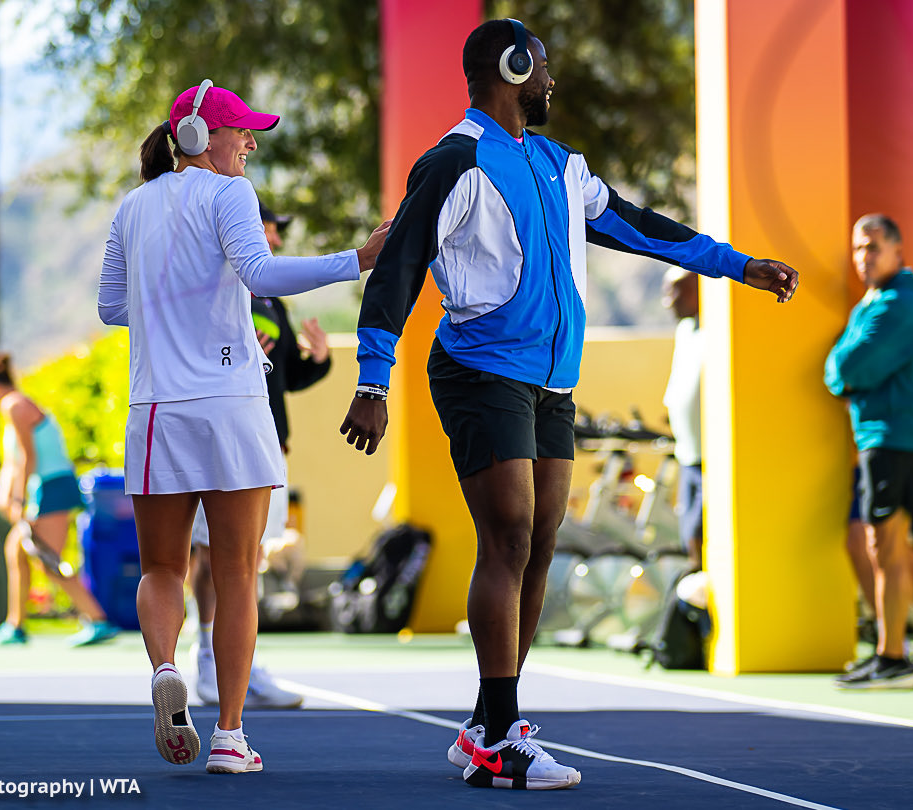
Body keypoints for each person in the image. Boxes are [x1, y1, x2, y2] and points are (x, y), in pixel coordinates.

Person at [339, 19, 798, 791]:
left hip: (550, 382)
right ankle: (499, 734)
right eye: (542, 67)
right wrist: (373, 380)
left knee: (540, 543)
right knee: (510, 536)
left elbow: (639, 227)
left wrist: (734, 265)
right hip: (479, 369)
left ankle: (490, 725)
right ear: (514, 69)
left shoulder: (559, 165)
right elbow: (399, 271)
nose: (551, 81)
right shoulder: (453, 161)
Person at [98, 79, 389, 774]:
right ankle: (229, 735)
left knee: (164, 567)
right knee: (235, 575)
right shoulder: (231, 195)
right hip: (230, 405)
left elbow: (113, 308)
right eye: (243, 131)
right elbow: (259, 270)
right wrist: (358, 259)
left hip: (156, 411)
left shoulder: (131, 208)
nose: (252, 142)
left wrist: (176, 314)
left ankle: (166, 665)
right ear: (200, 136)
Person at [187, 202, 331, 710]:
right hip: (221, 437)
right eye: (269, 228)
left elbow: (286, 374)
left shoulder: (272, 296)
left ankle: (239, 664)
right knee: (210, 552)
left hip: (267, 443)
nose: (275, 238)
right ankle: (206, 657)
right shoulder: (213, 284)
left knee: (246, 559)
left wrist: (320, 359)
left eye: (277, 231)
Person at [824, 214, 913, 689]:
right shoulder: (877, 301)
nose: (864, 257)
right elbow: (843, 368)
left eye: (873, 247)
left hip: (895, 437)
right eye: (858, 248)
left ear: (898, 250)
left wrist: (843, 371)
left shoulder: (898, 304)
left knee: (887, 545)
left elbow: (847, 366)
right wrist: (843, 369)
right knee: (884, 546)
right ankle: (902, 649)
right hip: (883, 437)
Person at [0, 353, 120, 648]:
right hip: (46, 487)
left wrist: (17, 498)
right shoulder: (14, 407)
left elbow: (28, 456)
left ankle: (98, 619)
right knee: (16, 550)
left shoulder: (13, 405)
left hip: (53, 488)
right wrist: (8, 494)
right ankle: (15, 625)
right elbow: (14, 461)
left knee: (47, 560)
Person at [661, 268, 703, 570]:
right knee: (689, 533)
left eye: (675, 291)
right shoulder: (686, 331)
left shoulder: (719, 329)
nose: (668, 301)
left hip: (710, 457)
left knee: (701, 532)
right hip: (687, 455)